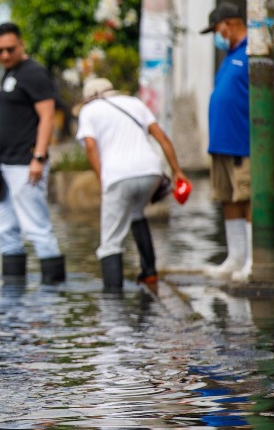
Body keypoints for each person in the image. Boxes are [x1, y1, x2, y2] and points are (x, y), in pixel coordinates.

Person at [75, 77, 189, 292]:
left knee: (110, 241)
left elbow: (90, 147)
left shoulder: (88, 111)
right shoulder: (135, 103)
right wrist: (177, 171)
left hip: (118, 176)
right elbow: (163, 138)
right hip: (151, 172)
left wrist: (102, 179)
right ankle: (149, 273)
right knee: (136, 213)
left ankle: (112, 297)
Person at [0, 21, 66, 283]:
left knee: (37, 228)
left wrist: (39, 157)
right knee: (5, 229)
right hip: (5, 164)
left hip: (27, 164)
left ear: (21, 45)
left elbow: (47, 117)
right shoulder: (6, 73)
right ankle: (12, 299)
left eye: (11, 49)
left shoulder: (33, 73)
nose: (5, 55)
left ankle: (53, 296)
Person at [199, 2, 252, 280]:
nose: (215, 37)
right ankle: (236, 257)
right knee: (227, 198)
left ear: (227, 25)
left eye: (216, 31)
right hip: (221, 142)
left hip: (242, 142)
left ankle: (254, 260)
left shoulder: (253, 54)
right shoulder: (231, 56)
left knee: (248, 198)